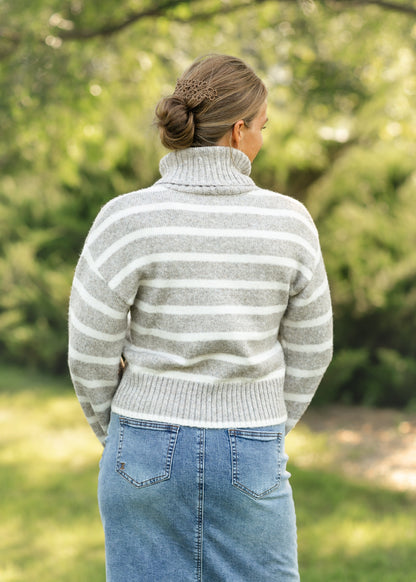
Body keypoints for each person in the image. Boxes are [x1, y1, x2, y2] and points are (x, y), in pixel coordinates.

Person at [68, 54, 333, 582]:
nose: (262, 139)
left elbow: (89, 347)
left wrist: (119, 428)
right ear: (238, 132)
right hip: (251, 440)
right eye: (262, 127)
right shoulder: (290, 222)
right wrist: (272, 429)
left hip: (141, 441)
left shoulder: (126, 217)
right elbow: (313, 346)